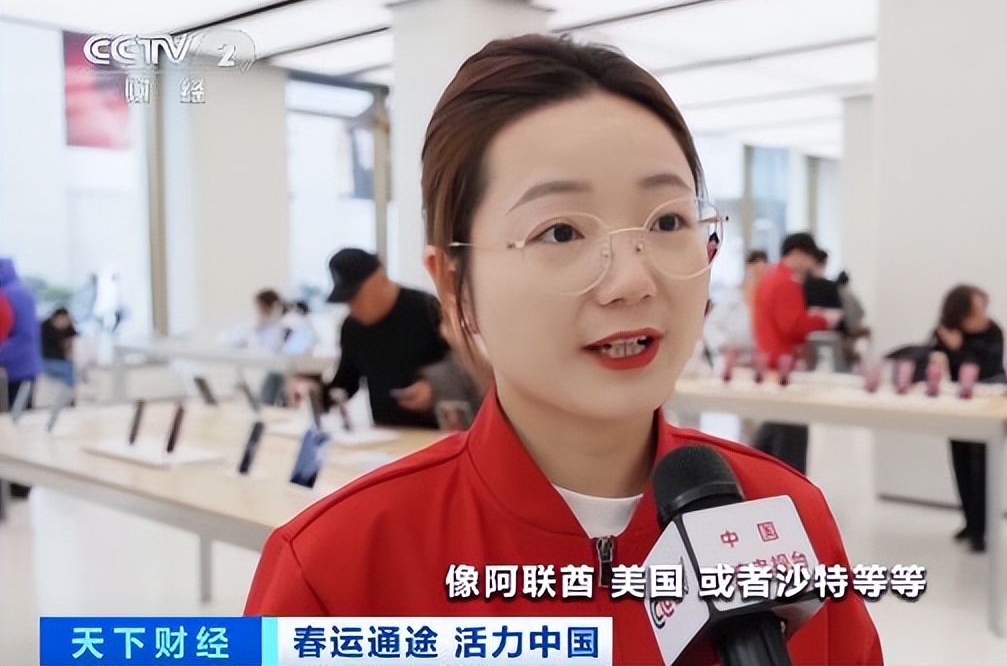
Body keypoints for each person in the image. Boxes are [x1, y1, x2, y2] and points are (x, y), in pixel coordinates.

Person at [245, 35, 881, 663]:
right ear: (454, 284)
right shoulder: (334, 572)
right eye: (560, 232)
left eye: (667, 221)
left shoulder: (785, 518)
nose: (632, 280)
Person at [309, 247, 452, 429]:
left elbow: (464, 365)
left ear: (379, 279)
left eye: (355, 297)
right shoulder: (352, 327)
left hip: (436, 431)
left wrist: (435, 387)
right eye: (347, 301)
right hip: (386, 433)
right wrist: (313, 391)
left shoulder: (426, 309)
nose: (352, 308)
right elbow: (346, 383)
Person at [751, 232, 843, 474]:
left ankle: (762, 480)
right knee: (791, 436)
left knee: (774, 430)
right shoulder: (786, 282)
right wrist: (824, 320)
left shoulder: (769, 278)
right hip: (786, 366)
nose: (810, 266)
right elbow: (793, 326)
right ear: (799, 253)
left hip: (770, 360)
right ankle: (790, 487)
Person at [927, 285, 1005, 552]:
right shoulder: (944, 332)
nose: (983, 316)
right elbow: (932, 363)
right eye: (975, 312)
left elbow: (986, 370)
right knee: (960, 461)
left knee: (981, 465)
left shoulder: (993, 332)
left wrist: (958, 349)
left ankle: (981, 529)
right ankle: (970, 522)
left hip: (987, 404)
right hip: (957, 407)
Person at [0, 257, 41, 412]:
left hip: (18, 372)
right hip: (14, 370)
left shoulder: (15, 294)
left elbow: (25, 337)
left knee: (15, 420)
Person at [40, 307, 79, 389]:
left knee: (74, 368)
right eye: (60, 319)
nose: (62, 322)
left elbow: (76, 337)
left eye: (65, 320)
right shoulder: (46, 328)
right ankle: (72, 392)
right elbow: (63, 344)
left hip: (58, 361)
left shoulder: (67, 330)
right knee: (68, 369)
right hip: (46, 361)